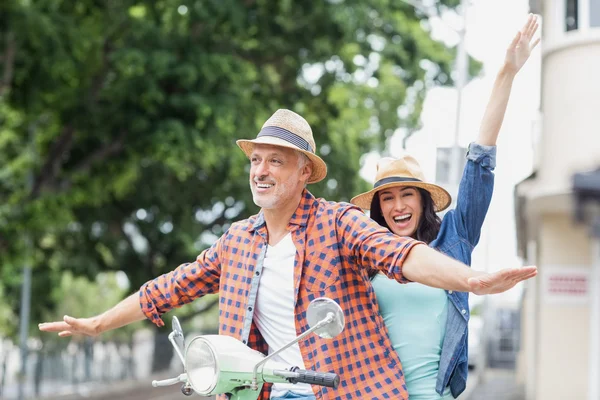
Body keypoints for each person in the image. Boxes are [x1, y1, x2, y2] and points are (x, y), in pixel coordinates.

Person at [39, 108, 537, 400]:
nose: (261, 170)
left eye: (275, 161)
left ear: (304, 173)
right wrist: (98, 323)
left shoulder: (338, 222)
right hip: (272, 391)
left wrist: (468, 280)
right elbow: (168, 287)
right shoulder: (237, 242)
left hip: (352, 389)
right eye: (256, 160)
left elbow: (399, 254)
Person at [349, 15, 540, 400]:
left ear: (423, 201)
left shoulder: (454, 238)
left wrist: (506, 72)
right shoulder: (366, 254)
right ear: (378, 208)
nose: (397, 206)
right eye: (387, 198)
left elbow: (480, 162)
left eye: (407, 195)